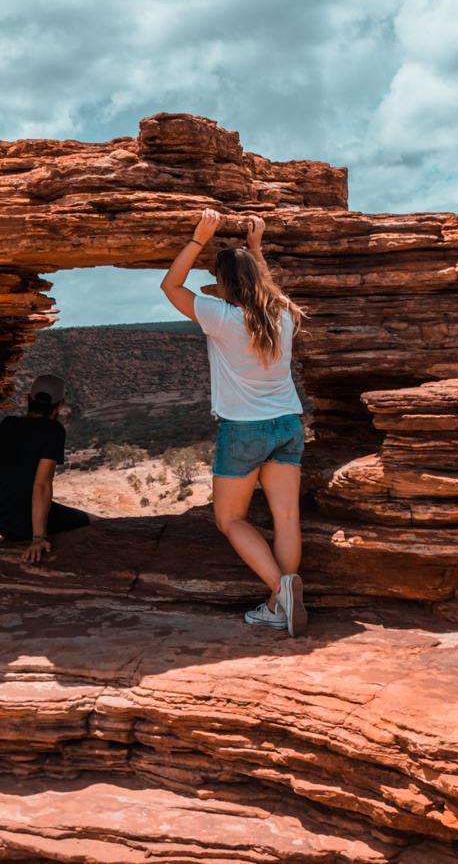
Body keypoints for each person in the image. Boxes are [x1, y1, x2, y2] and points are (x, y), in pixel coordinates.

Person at [160, 208, 308, 636]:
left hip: (243, 430)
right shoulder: (283, 314)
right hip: (287, 424)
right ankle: (279, 603)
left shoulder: (222, 317)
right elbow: (268, 288)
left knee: (230, 519)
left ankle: (281, 594)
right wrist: (256, 249)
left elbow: (171, 285)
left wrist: (197, 239)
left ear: (223, 283)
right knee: (287, 519)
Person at [0, 374, 91, 564]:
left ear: (28, 399)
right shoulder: (53, 431)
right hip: (22, 520)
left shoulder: (7, 425)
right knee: (84, 520)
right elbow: (42, 484)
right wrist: (38, 538)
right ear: (60, 405)